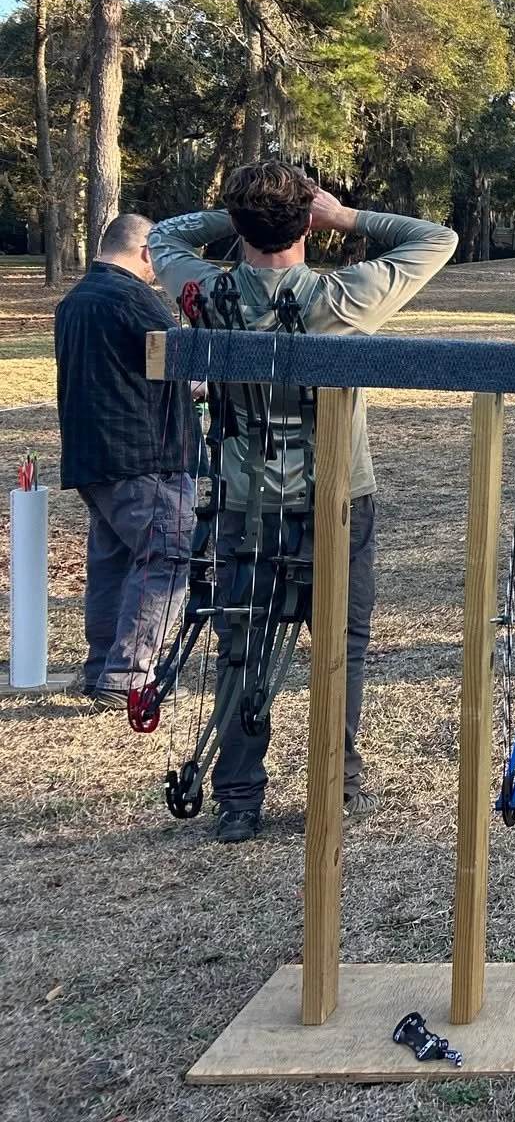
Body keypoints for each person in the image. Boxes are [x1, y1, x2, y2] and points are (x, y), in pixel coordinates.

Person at [150, 163, 457, 842]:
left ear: (239, 227)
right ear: (306, 223)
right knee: (340, 643)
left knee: (241, 643)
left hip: (241, 497)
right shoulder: (343, 298)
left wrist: (230, 218)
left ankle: (237, 798)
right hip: (339, 497)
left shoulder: (203, 289)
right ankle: (336, 782)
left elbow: (163, 235)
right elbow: (436, 238)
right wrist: (342, 216)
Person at [52, 214, 197, 709]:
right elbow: (184, 362)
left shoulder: (75, 301)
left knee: (114, 563)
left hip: (93, 455)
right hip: (143, 454)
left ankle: (100, 670)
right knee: (168, 556)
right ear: (146, 253)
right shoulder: (134, 298)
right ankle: (130, 675)